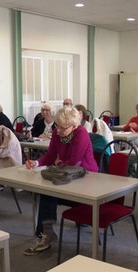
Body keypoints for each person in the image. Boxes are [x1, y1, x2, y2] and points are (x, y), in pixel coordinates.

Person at [23, 106, 99, 255]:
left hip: (86, 177)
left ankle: (46, 233)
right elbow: (51, 156)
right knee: (46, 191)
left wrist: (58, 163)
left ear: (74, 125)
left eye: (63, 128)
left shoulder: (81, 133)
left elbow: (74, 161)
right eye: (57, 127)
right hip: (67, 175)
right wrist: (37, 162)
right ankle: (47, 234)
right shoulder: (57, 133)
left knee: (50, 190)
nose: (58, 131)